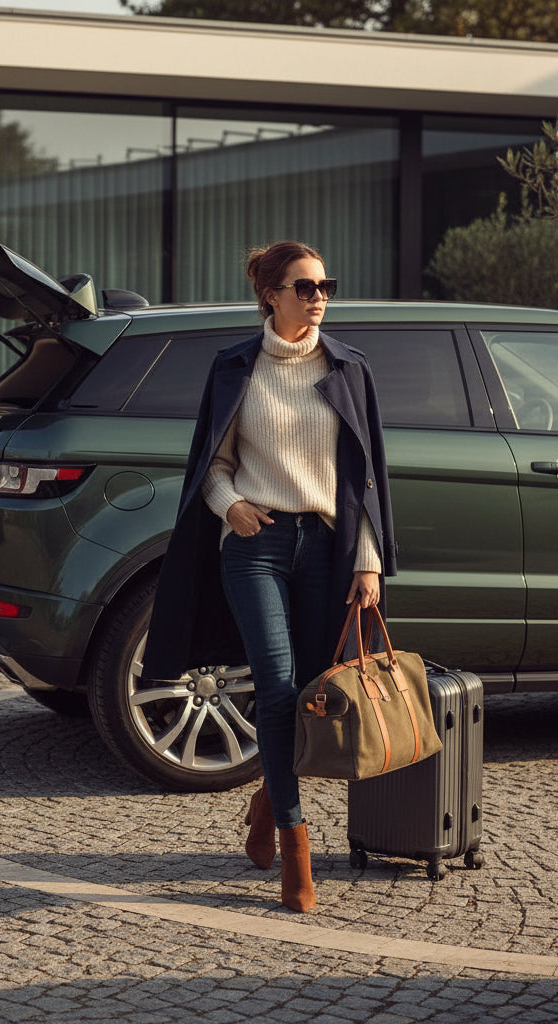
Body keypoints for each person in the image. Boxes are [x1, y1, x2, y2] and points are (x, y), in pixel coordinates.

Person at [142, 240, 396, 912]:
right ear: (271, 296)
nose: (318, 298)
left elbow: (365, 479)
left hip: (327, 549)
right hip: (256, 546)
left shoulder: (349, 369)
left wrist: (367, 560)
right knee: (279, 691)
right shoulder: (236, 368)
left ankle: (263, 803)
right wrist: (232, 506)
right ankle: (294, 843)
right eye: (304, 286)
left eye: (324, 285)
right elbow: (212, 465)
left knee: (313, 695)